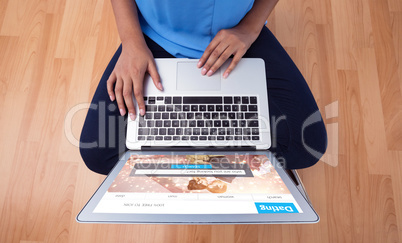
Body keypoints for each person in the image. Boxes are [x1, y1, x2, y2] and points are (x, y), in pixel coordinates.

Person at [79, 0, 328, 175]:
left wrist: (250, 28)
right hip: (153, 36)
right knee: (98, 154)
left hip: (235, 34)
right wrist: (131, 42)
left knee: (307, 147)